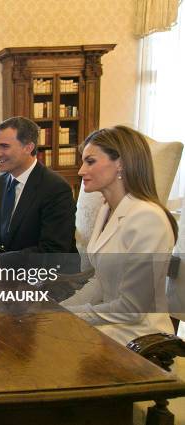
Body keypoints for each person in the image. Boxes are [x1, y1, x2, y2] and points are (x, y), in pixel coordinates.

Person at [61, 126, 177, 345]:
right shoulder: (106, 209)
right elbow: (100, 282)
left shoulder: (147, 218)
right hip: (111, 329)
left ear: (121, 163)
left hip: (141, 341)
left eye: (90, 161)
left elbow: (132, 309)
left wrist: (69, 317)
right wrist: (58, 310)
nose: (81, 171)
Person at [0, 116, 78, 270]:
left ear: (28, 147)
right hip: (12, 272)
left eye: (4, 146)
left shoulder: (56, 188)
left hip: (51, 278)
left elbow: (52, 252)